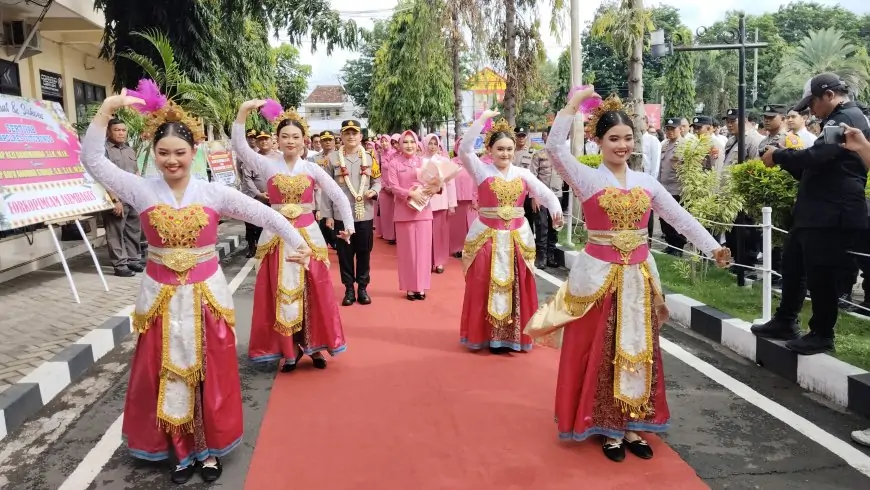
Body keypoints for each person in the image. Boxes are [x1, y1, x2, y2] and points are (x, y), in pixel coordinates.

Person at [81, 88, 310, 484]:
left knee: (209, 373)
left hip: (207, 298)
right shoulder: (141, 189)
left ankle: (207, 451)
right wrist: (105, 112)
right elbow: (93, 160)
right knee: (167, 372)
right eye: (164, 153)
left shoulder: (213, 193)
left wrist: (301, 244)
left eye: (180, 153)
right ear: (153, 153)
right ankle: (180, 451)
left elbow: (267, 215)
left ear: (194, 152)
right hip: (160, 300)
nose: (172, 160)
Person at [525, 89, 730, 462]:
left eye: (627, 138)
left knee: (639, 351)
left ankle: (634, 423)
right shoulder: (587, 178)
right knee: (603, 350)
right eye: (613, 139)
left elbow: (678, 219)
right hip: (600, 280)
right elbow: (555, 149)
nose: (622, 145)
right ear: (598, 141)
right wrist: (572, 107)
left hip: (638, 280)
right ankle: (607, 428)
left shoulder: (647, 183)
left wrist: (711, 246)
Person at [233, 101, 353, 372]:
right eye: (284, 136)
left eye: (295, 137)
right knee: (278, 292)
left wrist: (349, 226)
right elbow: (240, 148)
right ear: (277, 139)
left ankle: (316, 346)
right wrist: (243, 113)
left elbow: (337, 195)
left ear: (303, 141)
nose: (290, 141)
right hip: (276, 238)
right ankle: (288, 351)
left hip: (309, 237)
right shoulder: (266, 164)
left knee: (314, 291)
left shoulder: (311, 169)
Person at [755, 73, 870, 355]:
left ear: (829, 95)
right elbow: (817, 164)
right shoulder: (838, 119)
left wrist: (779, 156)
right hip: (816, 210)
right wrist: (784, 158)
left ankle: (822, 333)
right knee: (794, 265)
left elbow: (818, 156)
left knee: (821, 275)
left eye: (813, 103)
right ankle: (786, 319)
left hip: (832, 212)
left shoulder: (847, 118)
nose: (810, 110)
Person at [457, 113, 562, 353]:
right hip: (487, 238)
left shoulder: (523, 174)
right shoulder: (482, 171)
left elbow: (545, 194)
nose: (505, 154)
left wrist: (556, 210)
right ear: (490, 149)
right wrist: (482, 119)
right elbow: (464, 149)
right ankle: (486, 335)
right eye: (500, 149)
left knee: (517, 285)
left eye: (509, 149)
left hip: (516, 238)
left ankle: (512, 337)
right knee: (484, 283)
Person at [321, 120, 382, 306]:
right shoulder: (332, 159)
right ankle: (349, 289)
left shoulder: (370, 158)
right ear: (341, 136)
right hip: (341, 215)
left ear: (360, 137)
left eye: (354, 133)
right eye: (347, 133)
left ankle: (362, 288)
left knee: (364, 252)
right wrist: (328, 215)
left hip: (364, 213)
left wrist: (374, 191)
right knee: (345, 254)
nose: (351, 136)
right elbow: (326, 189)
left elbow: (377, 181)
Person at [388, 131, 435, 299]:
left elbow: (434, 183)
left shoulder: (424, 162)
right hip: (403, 212)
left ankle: (421, 287)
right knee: (407, 252)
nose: (409, 145)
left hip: (423, 211)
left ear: (417, 144)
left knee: (423, 251)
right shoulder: (394, 163)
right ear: (400, 144)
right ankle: (409, 287)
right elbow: (393, 186)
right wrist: (410, 193)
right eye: (405, 142)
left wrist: (436, 187)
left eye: (412, 142)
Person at [104, 118, 143, 276]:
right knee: (115, 232)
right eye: (117, 130)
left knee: (133, 230)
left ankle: (133, 260)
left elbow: (136, 172)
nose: (121, 133)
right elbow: (103, 177)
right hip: (116, 198)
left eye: (123, 130)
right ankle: (120, 265)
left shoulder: (129, 149)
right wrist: (114, 200)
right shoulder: (104, 150)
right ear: (109, 131)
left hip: (132, 197)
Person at [423, 134, 457, 273]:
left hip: (441, 202)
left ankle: (439, 261)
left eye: (435, 144)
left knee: (440, 233)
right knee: (426, 234)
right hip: (424, 202)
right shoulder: (420, 161)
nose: (432, 146)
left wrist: (451, 204)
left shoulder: (444, 160)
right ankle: (427, 261)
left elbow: (450, 183)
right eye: (430, 143)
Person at [238, 129, 271, 258]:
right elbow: (244, 177)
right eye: (259, 139)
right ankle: (252, 247)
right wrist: (257, 193)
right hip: (252, 196)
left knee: (267, 224)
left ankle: (266, 248)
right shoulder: (247, 158)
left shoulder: (276, 157)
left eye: (266, 139)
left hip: (270, 199)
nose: (263, 142)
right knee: (251, 224)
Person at [448, 136, 479, 258]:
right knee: (457, 226)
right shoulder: (452, 162)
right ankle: (458, 248)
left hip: (472, 199)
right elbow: (449, 181)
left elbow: (478, 181)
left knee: (473, 224)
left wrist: (476, 198)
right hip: (457, 199)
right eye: (460, 144)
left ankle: (473, 248)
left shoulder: (475, 161)